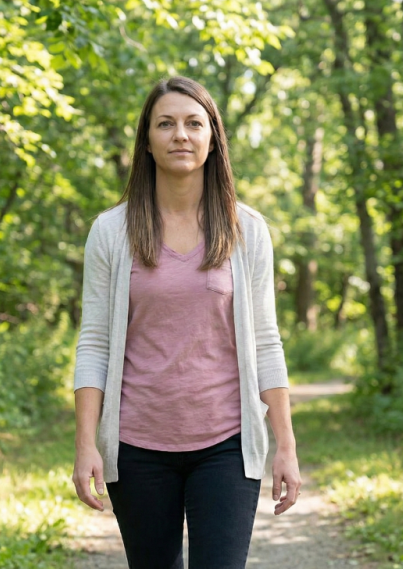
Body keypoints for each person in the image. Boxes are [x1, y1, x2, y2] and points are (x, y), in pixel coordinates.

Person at [71, 76, 301, 569]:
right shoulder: (111, 231)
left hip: (227, 445)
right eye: (166, 124)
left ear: (212, 138)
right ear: (147, 141)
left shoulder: (247, 230)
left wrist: (286, 445)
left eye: (194, 123)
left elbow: (266, 342)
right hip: (136, 446)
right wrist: (86, 443)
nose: (180, 134)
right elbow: (94, 344)